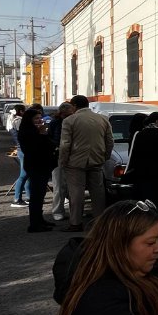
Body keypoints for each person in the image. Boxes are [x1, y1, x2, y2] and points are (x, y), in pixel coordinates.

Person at [60, 95, 114, 233]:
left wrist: (63, 161)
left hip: (75, 162)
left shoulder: (69, 120)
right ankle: (100, 222)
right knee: (98, 193)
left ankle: (76, 223)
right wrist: (105, 156)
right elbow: (109, 141)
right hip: (97, 160)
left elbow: (65, 144)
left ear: (74, 106)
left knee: (76, 193)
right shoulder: (102, 119)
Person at [17, 108, 58, 233]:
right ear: (29, 119)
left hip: (43, 166)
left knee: (41, 195)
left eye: (40, 117)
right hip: (35, 166)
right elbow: (34, 149)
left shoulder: (36, 131)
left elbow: (50, 144)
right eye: (36, 118)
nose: (39, 120)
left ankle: (40, 219)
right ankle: (35, 224)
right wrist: (41, 134)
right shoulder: (26, 132)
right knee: (36, 196)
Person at [48, 102, 75, 221]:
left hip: (71, 156)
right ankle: (57, 211)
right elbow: (52, 138)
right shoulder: (56, 122)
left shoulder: (70, 122)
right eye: (67, 114)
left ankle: (73, 211)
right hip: (58, 156)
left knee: (71, 187)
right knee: (59, 186)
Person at [7, 104, 31, 208]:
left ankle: (29, 197)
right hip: (24, 148)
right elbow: (22, 135)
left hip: (22, 148)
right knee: (24, 174)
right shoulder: (18, 121)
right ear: (21, 111)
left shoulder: (14, 119)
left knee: (27, 174)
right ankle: (17, 199)